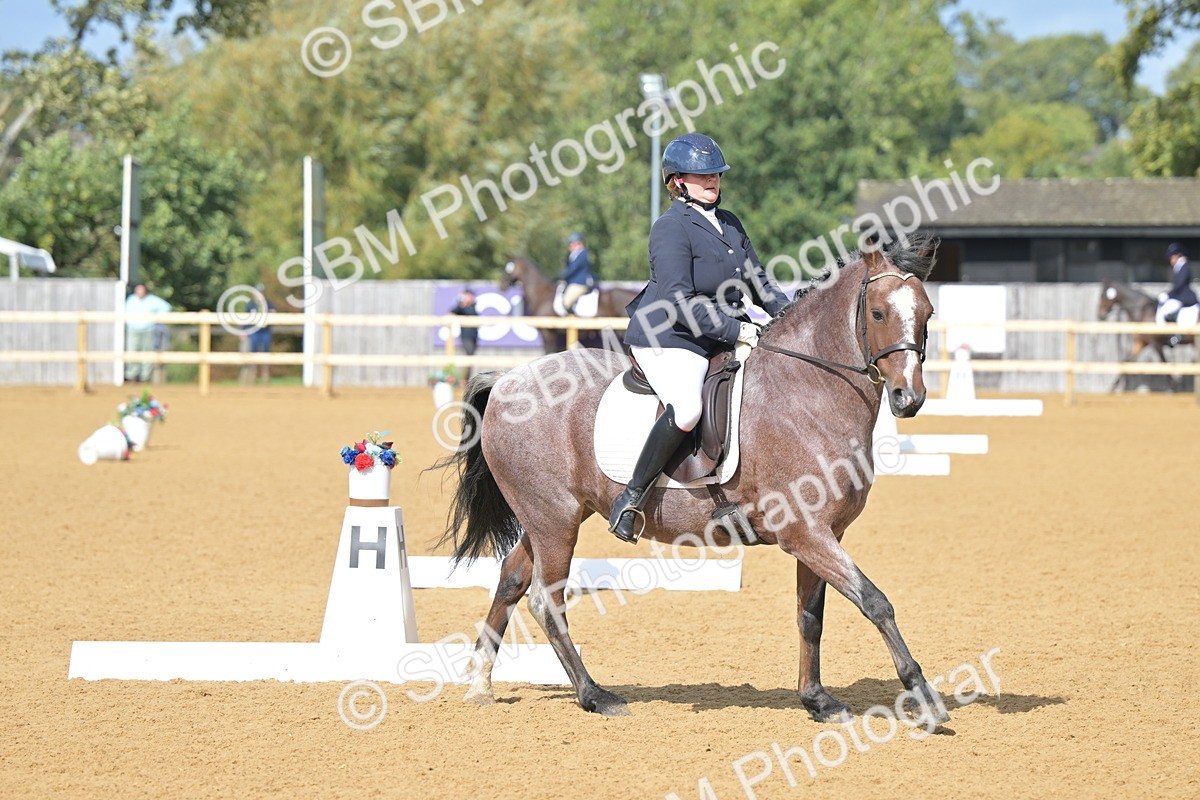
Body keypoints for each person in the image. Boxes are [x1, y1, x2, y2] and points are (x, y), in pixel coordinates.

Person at [609, 132, 789, 543]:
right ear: (678, 181)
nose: (712, 181)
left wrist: (787, 317)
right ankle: (632, 497)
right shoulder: (670, 228)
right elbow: (677, 300)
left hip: (720, 332)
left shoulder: (730, 223)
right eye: (701, 175)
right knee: (688, 407)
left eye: (716, 175)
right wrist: (738, 330)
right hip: (670, 335)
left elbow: (759, 282)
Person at [124, 283, 171, 382]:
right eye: (138, 290)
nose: (140, 292)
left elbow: (166, 307)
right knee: (132, 352)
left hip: (148, 329)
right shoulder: (131, 300)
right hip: (133, 330)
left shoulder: (152, 300)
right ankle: (132, 376)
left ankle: (145, 377)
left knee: (147, 353)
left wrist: (157, 318)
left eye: (142, 290)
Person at [1157, 244, 1198, 346]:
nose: (1170, 260)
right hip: (1178, 296)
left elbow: (1179, 285)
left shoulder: (1184, 266)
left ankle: (1175, 336)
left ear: (1178, 255)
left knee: (1163, 312)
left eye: (1172, 257)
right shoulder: (1178, 267)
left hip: (1183, 297)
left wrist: (1168, 295)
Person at [240, 285, 275, 383]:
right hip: (254, 332)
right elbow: (244, 319)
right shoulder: (251, 305)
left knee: (266, 354)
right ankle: (252, 377)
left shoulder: (268, 304)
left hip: (265, 332)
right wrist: (243, 331)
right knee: (253, 354)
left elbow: (274, 315)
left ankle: (265, 378)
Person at [557, 232, 595, 315]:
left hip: (579, 284)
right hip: (573, 283)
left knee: (566, 302)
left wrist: (560, 276)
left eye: (571, 244)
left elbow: (572, 269)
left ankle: (573, 321)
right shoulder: (574, 255)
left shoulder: (582, 254)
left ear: (578, 243)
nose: (570, 246)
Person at [450, 288, 479, 356]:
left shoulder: (474, 306)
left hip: (474, 335)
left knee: (471, 354)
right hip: (466, 335)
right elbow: (452, 312)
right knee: (469, 353)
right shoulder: (461, 307)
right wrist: (462, 304)